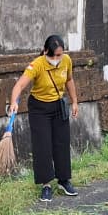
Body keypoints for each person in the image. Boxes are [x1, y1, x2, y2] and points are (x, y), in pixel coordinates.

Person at [7, 36, 80, 203]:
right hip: (39, 108)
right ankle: (46, 185)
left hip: (58, 106)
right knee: (43, 145)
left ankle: (64, 180)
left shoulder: (66, 60)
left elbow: (69, 80)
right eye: (54, 56)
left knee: (62, 143)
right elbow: (19, 85)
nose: (57, 59)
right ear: (46, 51)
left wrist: (75, 101)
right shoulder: (37, 64)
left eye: (60, 55)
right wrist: (13, 103)